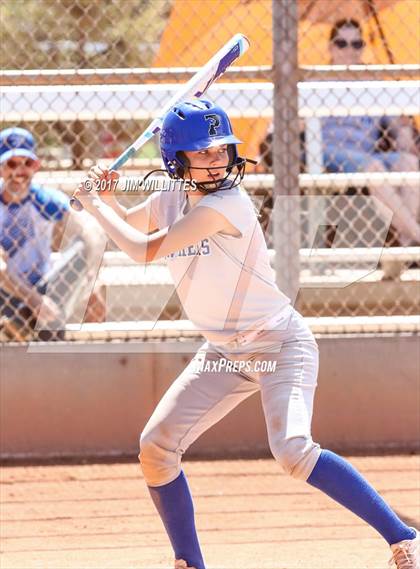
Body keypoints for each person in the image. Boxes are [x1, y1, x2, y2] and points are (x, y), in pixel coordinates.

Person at [72, 100, 419, 569]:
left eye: (222, 150)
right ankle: (189, 562)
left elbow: (141, 250)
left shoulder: (226, 204)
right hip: (225, 352)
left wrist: (94, 202)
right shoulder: (170, 199)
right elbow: (130, 224)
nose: (218, 159)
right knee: (156, 448)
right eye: (204, 152)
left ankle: (404, 537)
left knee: (293, 451)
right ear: (176, 160)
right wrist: (107, 199)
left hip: (278, 344)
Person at [323, 18, 420, 246]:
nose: (349, 50)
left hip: (366, 155)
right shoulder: (314, 79)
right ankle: (416, 236)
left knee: (407, 162)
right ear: (330, 47)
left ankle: (406, 246)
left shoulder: (374, 82)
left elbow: (397, 125)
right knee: (373, 167)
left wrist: (404, 129)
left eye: (356, 44)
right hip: (330, 153)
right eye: (342, 43)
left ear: (364, 48)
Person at [0, 127, 102, 341]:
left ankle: (28, 329)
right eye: (11, 164)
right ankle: (32, 329)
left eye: (27, 164)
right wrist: (34, 299)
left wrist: (94, 283)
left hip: (45, 288)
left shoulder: (44, 200)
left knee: (86, 241)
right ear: (1, 168)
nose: (19, 172)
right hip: (7, 291)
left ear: (36, 166)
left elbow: (91, 232)